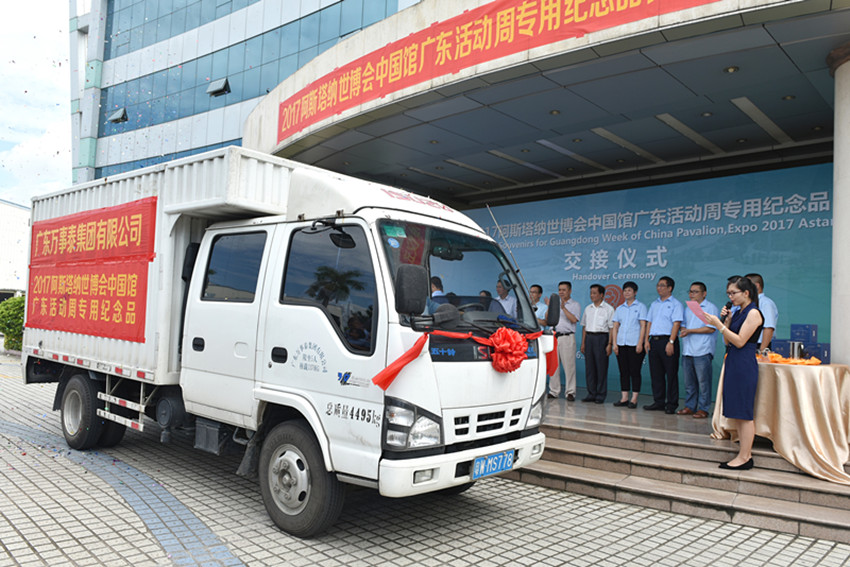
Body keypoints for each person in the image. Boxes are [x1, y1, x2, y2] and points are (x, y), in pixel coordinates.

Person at [704, 276, 764, 470]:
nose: (730, 297)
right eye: (728, 293)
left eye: (733, 293)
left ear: (746, 293)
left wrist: (719, 325)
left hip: (744, 363)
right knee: (737, 412)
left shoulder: (754, 313)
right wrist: (727, 322)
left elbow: (740, 341)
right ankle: (743, 454)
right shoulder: (738, 312)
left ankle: (745, 456)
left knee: (744, 412)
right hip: (733, 361)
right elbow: (728, 341)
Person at [642, 276, 684, 414]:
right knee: (656, 374)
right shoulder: (654, 304)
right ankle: (659, 401)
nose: (659, 288)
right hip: (654, 341)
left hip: (668, 341)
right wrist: (646, 340)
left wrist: (671, 342)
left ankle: (671, 404)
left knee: (671, 374)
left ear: (670, 288)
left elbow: (676, 324)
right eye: (658, 285)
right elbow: (649, 322)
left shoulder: (676, 304)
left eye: (662, 285)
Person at [678, 282, 719, 419]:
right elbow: (683, 325)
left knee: (703, 383)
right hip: (688, 350)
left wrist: (690, 331)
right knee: (689, 383)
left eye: (695, 292)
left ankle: (703, 408)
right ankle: (690, 406)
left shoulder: (710, 308)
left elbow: (711, 328)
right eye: (690, 291)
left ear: (704, 293)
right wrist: (684, 329)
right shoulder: (688, 308)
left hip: (703, 350)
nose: (692, 294)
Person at [612, 281, 647, 408]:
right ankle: (624, 398)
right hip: (621, 343)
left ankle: (634, 399)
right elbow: (615, 327)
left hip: (635, 344)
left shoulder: (641, 307)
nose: (627, 293)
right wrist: (615, 343)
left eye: (629, 290)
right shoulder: (620, 308)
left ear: (635, 292)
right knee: (623, 371)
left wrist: (640, 343)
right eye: (625, 290)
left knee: (635, 371)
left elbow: (643, 326)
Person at [580, 284, 614, 403]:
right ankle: (591, 393)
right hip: (589, 338)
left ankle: (600, 395)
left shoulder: (609, 309)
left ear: (601, 295)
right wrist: (583, 343)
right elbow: (584, 327)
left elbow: (611, 328)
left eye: (594, 293)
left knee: (601, 368)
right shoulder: (588, 308)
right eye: (591, 293)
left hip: (601, 338)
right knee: (590, 368)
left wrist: (610, 344)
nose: (592, 295)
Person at [549, 281, 581, 400]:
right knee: (554, 366)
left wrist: (563, 308)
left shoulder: (575, 304)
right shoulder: (554, 304)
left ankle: (570, 392)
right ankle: (554, 391)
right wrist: (550, 307)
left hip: (567, 337)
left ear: (570, 291)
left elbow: (574, 319)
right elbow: (548, 320)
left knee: (569, 366)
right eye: (559, 290)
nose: (561, 292)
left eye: (564, 290)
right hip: (554, 337)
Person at [745, 273, 777, 352]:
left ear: (756, 286)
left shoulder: (766, 303)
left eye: (746, 285)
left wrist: (762, 350)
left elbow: (768, 328)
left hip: (759, 346)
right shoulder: (746, 303)